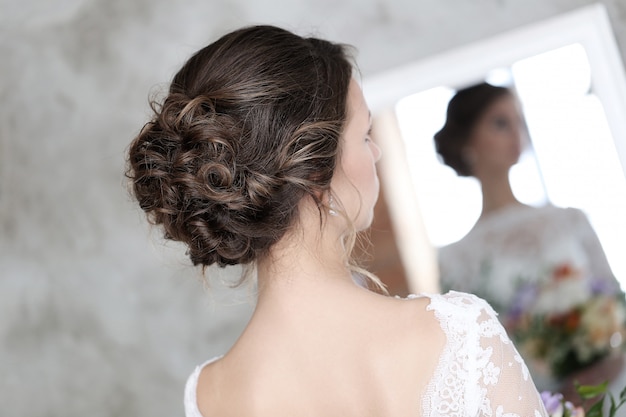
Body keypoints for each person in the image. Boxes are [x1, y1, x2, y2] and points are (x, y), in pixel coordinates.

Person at [126, 26, 548, 416]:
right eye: (364, 136)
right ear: (314, 170)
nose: (377, 153)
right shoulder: (461, 333)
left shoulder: (209, 395)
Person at [434, 82, 625, 398]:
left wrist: (608, 364)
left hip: (614, 383)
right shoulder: (457, 257)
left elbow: (616, 301)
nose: (516, 133)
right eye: (500, 123)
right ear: (469, 142)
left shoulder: (569, 219)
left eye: (518, 121)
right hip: (543, 401)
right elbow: (475, 356)